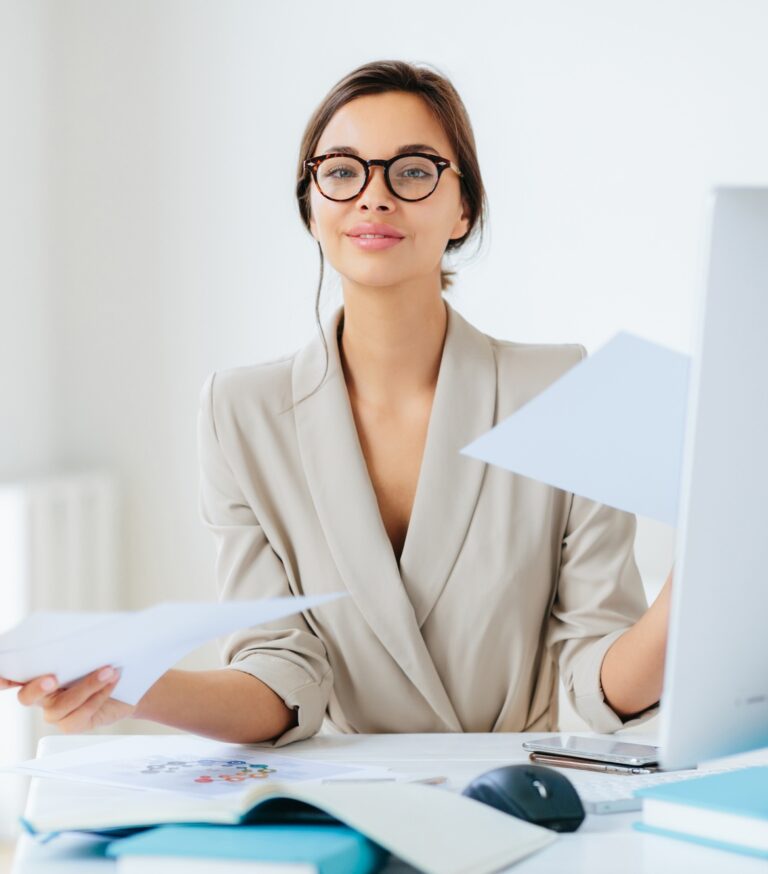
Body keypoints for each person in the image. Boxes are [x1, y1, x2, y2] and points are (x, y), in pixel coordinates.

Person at [2, 60, 671, 745]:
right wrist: (132, 685)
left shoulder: (564, 390)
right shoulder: (240, 414)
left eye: (412, 171)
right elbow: (280, 677)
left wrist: (700, 579)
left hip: (531, 795)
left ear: (463, 206)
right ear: (311, 204)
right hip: (353, 804)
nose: (373, 197)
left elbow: (595, 678)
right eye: (344, 171)